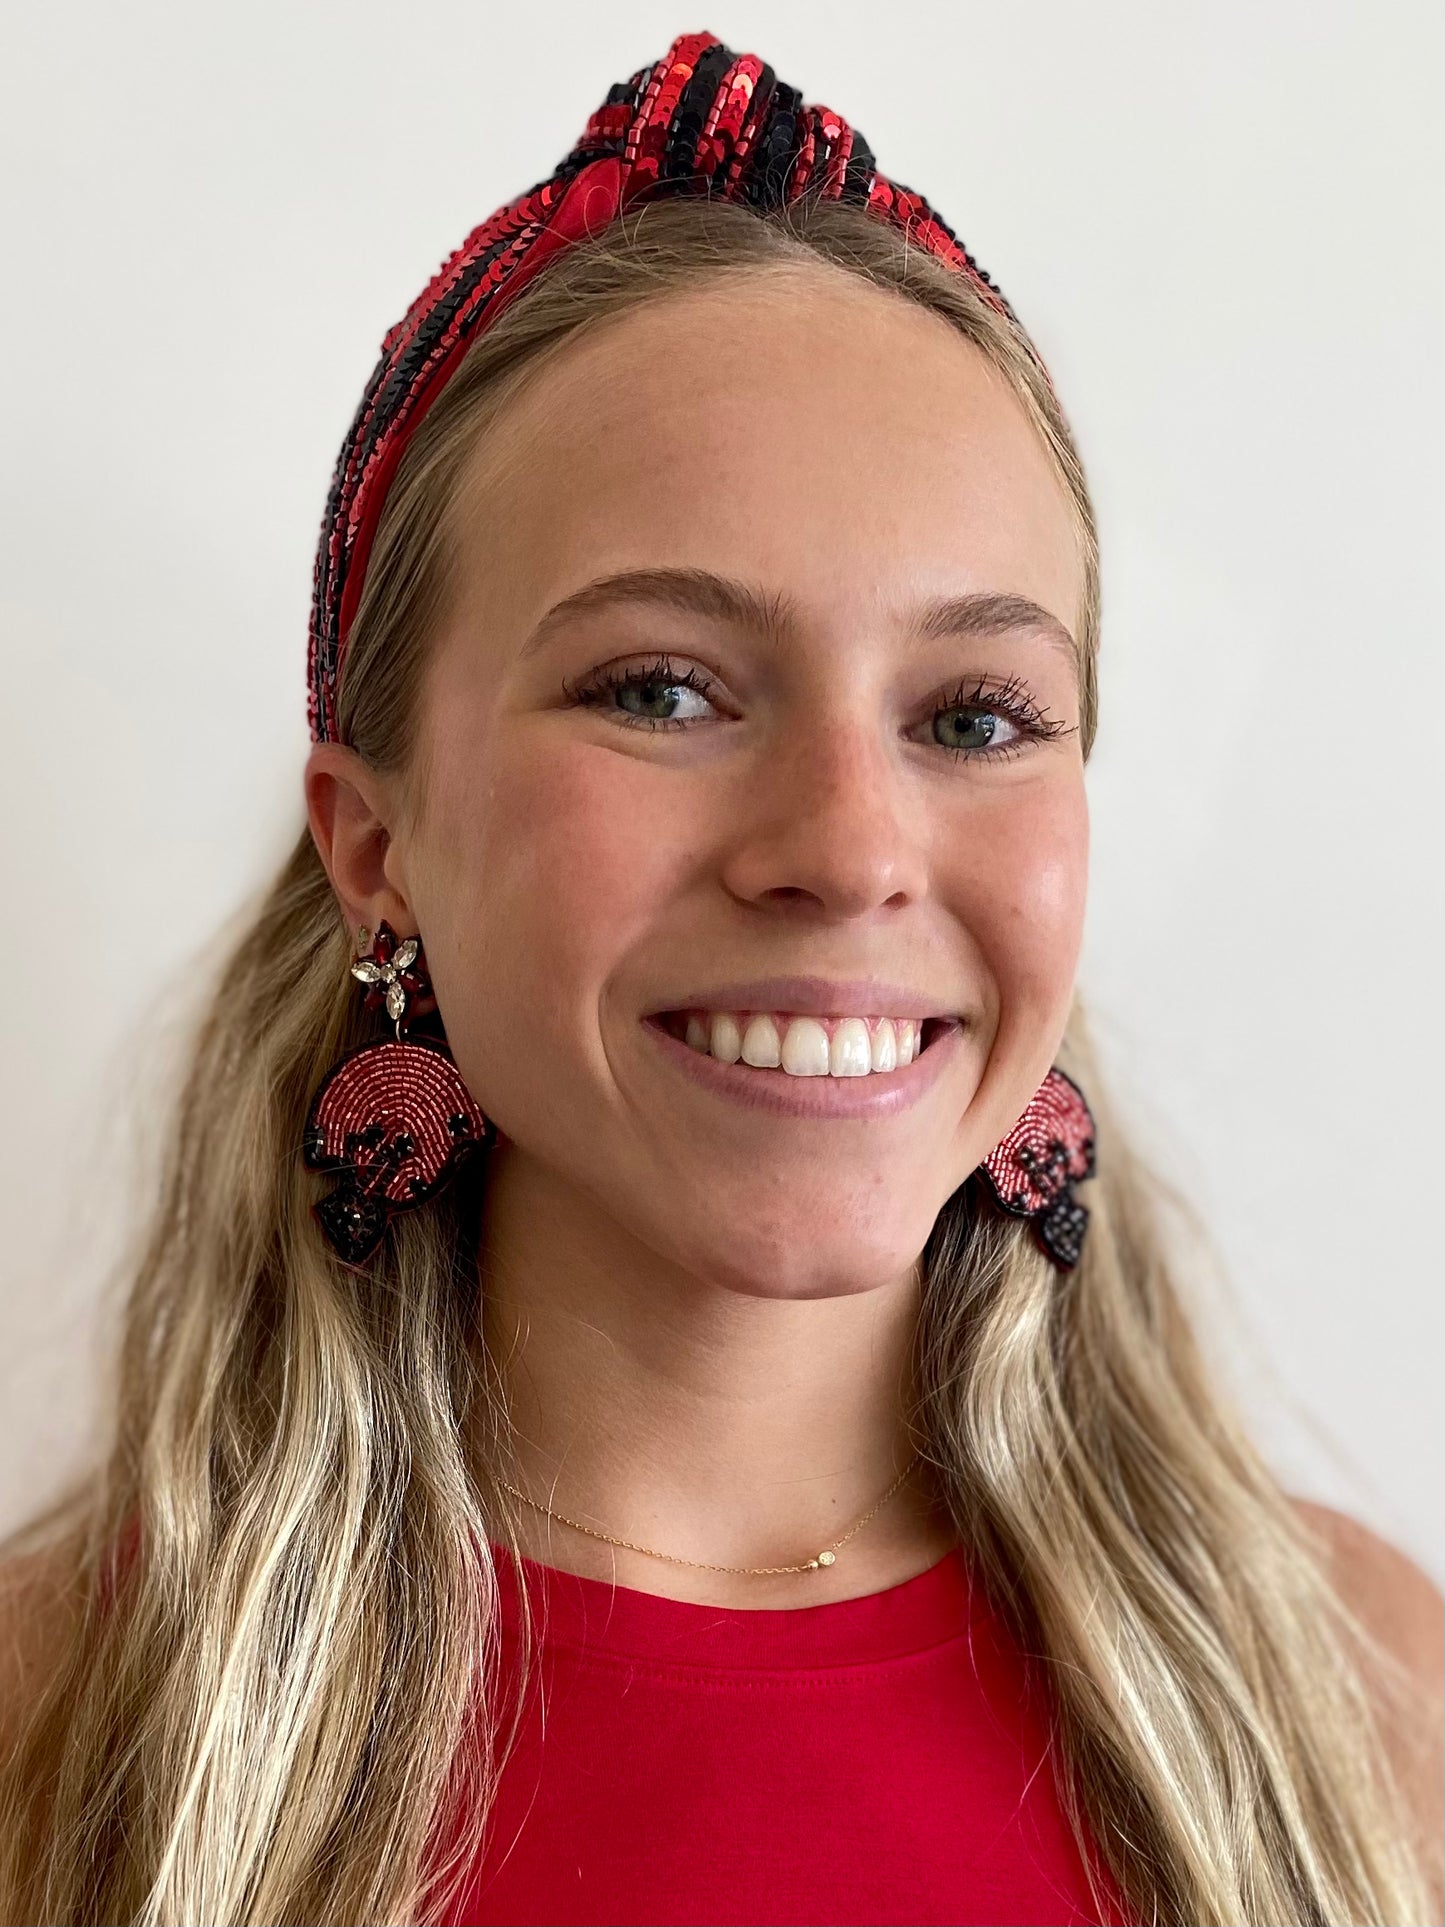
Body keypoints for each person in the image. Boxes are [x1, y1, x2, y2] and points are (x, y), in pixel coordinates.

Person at [0, 30, 1439, 1927]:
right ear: (377, 847)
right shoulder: (61, 1731)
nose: (847, 849)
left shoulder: (1359, 1696)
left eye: (975, 714)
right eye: (662, 688)